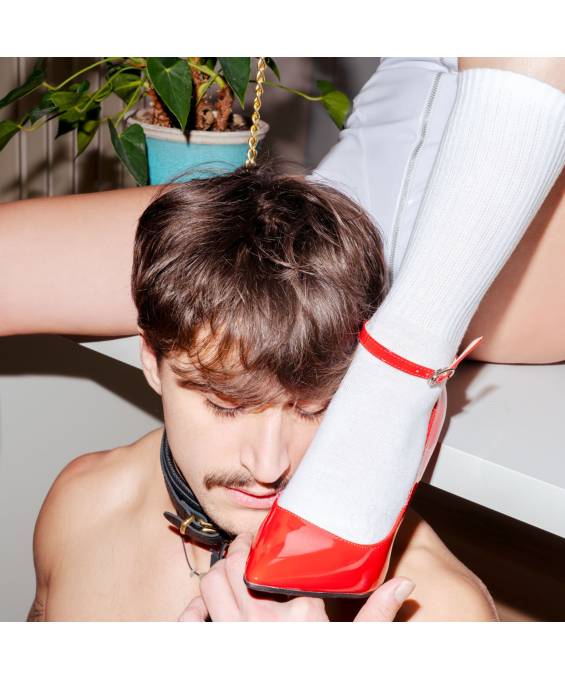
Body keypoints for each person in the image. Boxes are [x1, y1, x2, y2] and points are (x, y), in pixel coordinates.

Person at [25, 166, 497, 621]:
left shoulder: (442, 613)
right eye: (225, 405)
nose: (269, 468)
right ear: (152, 359)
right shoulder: (79, 506)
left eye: (314, 407)